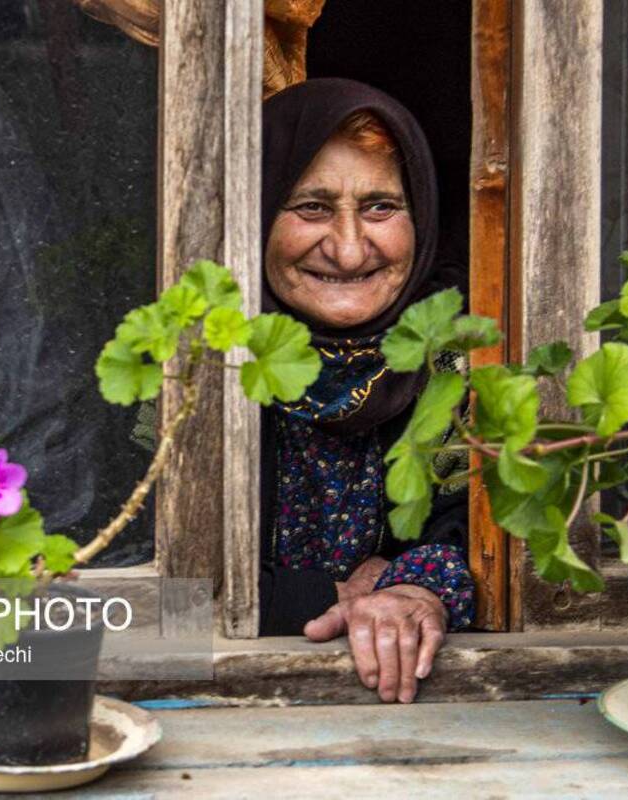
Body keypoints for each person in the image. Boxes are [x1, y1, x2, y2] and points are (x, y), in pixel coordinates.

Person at [258, 79, 474, 703]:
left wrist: (415, 586)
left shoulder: (448, 362)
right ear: (256, 211)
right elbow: (163, 582)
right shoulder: (195, 367)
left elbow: (464, 515)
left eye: (380, 208)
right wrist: (330, 596)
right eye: (311, 208)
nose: (350, 250)